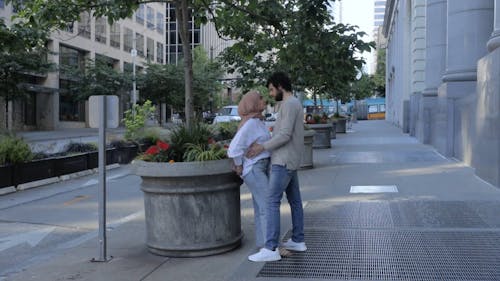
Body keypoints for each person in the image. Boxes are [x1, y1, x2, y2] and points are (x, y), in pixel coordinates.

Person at [246, 72, 306, 262]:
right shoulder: (293, 103)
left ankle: (271, 248)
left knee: (271, 201)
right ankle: (298, 240)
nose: (271, 94)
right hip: (291, 160)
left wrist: (262, 147)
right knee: (295, 201)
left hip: (283, 161)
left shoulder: (289, 104)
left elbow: (285, 135)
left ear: (280, 86)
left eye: (272, 89)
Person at [227, 90, 271, 250]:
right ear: (252, 103)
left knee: (261, 207)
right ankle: (270, 246)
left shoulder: (257, 121)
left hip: (260, 168)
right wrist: (239, 164)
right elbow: (233, 149)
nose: (264, 100)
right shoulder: (251, 124)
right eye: (260, 98)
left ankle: (264, 243)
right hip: (255, 169)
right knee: (268, 206)